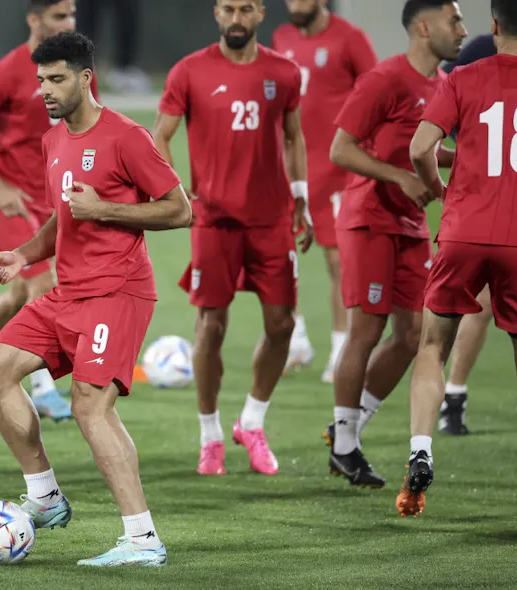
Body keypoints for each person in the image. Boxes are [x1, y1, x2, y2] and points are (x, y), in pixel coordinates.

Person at [0, 31, 190, 566]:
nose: (45, 90)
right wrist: (24, 255)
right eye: (41, 80)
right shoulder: (54, 140)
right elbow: (64, 215)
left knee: (91, 407)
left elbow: (179, 209)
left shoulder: (126, 137)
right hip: (67, 291)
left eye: (56, 79)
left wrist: (107, 211)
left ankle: (142, 539)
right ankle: (45, 498)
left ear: (85, 79)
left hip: (116, 292)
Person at [154, 0, 313, 477]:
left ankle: (252, 422)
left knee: (282, 325)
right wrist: (176, 191)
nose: (236, 17)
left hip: (270, 219)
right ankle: (210, 436)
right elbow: (160, 136)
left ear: (260, 13)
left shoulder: (284, 73)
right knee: (211, 329)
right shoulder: (189, 71)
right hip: (214, 220)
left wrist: (301, 196)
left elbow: (293, 136)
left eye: (246, 8)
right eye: (228, 8)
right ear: (216, 14)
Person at [327, 0, 466, 487]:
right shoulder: (384, 79)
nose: (463, 30)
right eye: (455, 21)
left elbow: (426, 148)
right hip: (369, 218)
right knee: (366, 330)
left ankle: (348, 430)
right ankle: (345, 446)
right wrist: (399, 178)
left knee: (413, 338)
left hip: (408, 223)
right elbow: (340, 148)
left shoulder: (444, 84)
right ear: (424, 28)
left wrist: (468, 157)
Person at [397, 0, 517, 517]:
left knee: (432, 345)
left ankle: (421, 451)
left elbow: (421, 147)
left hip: (464, 233)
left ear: (493, 25)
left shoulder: (463, 78)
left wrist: (442, 189)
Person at [0, 0, 82, 419]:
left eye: (72, 14)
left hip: (49, 199)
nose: (69, 23)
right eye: (59, 16)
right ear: (34, 20)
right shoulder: (6, 72)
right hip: (10, 200)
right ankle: (42, 387)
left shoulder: (69, 71)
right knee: (44, 286)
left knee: (23, 291)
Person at [273, 0, 378, 382]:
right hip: (293, 168)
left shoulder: (350, 39)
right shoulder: (281, 37)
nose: (292, 4)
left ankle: (341, 349)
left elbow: (376, 93)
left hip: (337, 170)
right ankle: (296, 339)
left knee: (338, 263)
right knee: (281, 258)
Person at [431, 32, 499, 436]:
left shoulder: (478, 52)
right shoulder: (479, 51)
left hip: (477, 207)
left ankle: (452, 397)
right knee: (480, 302)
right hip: (489, 198)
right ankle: (453, 395)